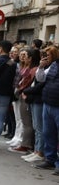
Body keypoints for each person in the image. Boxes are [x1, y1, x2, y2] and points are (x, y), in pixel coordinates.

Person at [32, 45, 59, 175]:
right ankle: (50, 159)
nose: (46, 57)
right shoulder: (53, 66)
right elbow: (41, 79)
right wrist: (41, 67)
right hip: (48, 104)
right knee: (49, 134)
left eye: (48, 55)